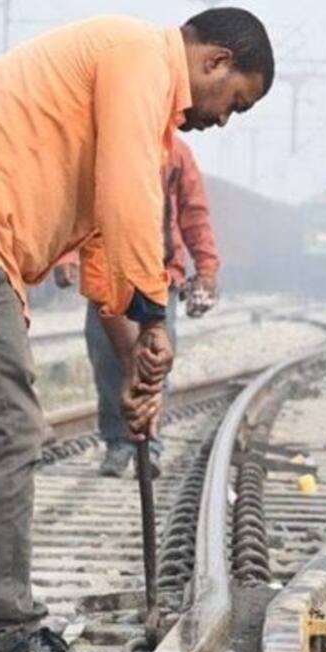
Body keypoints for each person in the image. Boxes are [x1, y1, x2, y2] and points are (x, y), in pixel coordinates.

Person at [0, 9, 272, 652]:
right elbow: (129, 195)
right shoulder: (141, 56)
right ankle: (9, 636)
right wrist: (154, 315)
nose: (224, 120)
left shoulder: (126, 84)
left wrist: (136, 362)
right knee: (8, 428)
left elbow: (103, 249)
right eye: (236, 102)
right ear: (216, 61)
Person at [71, 134, 222, 479]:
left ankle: (148, 445)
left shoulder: (177, 154)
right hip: (106, 274)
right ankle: (117, 442)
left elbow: (194, 215)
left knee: (153, 365)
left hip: (159, 276)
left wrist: (207, 269)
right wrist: (68, 257)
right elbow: (76, 208)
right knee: (108, 361)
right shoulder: (106, 147)